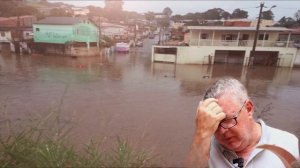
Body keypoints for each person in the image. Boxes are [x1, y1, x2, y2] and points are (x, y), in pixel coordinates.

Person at [187, 77, 299, 168]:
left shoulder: (288, 143)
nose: (222, 131)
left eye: (228, 120)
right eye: (215, 124)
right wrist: (200, 133)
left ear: (249, 109)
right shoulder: (205, 146)